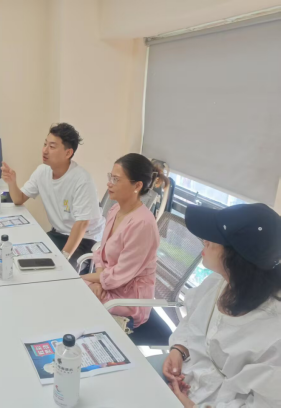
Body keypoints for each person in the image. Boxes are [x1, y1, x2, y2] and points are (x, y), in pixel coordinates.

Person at [155, 203, 281, 408]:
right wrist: (180, 349)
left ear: (237, 257)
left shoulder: (274, 333)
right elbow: (192, 323)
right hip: (185, 380)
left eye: (214, 238)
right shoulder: (218, 282)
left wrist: (192, 406)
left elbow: (267, 403)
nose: (205, 240)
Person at [1, 123, 105, 271]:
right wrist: (12, 182)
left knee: (56, 270)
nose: (45, 150)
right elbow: (19, 199)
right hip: (58, 234)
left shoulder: (82, 180)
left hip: (85, 240)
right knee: (24, 258)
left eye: (52, 146)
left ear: (68, 153)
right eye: (45, 144)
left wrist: (64, 256)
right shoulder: (42, 171)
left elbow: (82, 224)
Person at [82, 153, 168, 328]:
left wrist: (87, 279)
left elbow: (119, 275)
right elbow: (101, 253)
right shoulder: (115, 210)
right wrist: (98, 280)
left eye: (116, 179)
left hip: (128, 299)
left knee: (74, 291)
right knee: (71, 290)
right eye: (110, 177)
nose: (109, 183)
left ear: (137, 185)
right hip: (109, 283)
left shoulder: (143, 224)